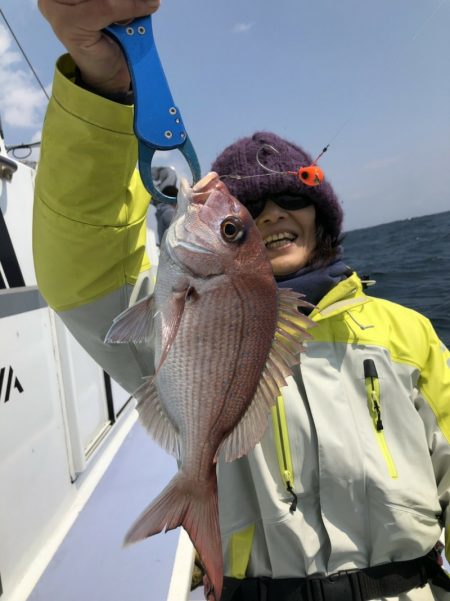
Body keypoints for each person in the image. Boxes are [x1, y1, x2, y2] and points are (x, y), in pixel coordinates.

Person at [34, 1, 450, 600]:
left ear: (322, 216)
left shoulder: (405, 331)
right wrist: (104, 86)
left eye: (290, 199)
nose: (273, 214)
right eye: (246, 215)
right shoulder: (179, 309)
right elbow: (83, 268)